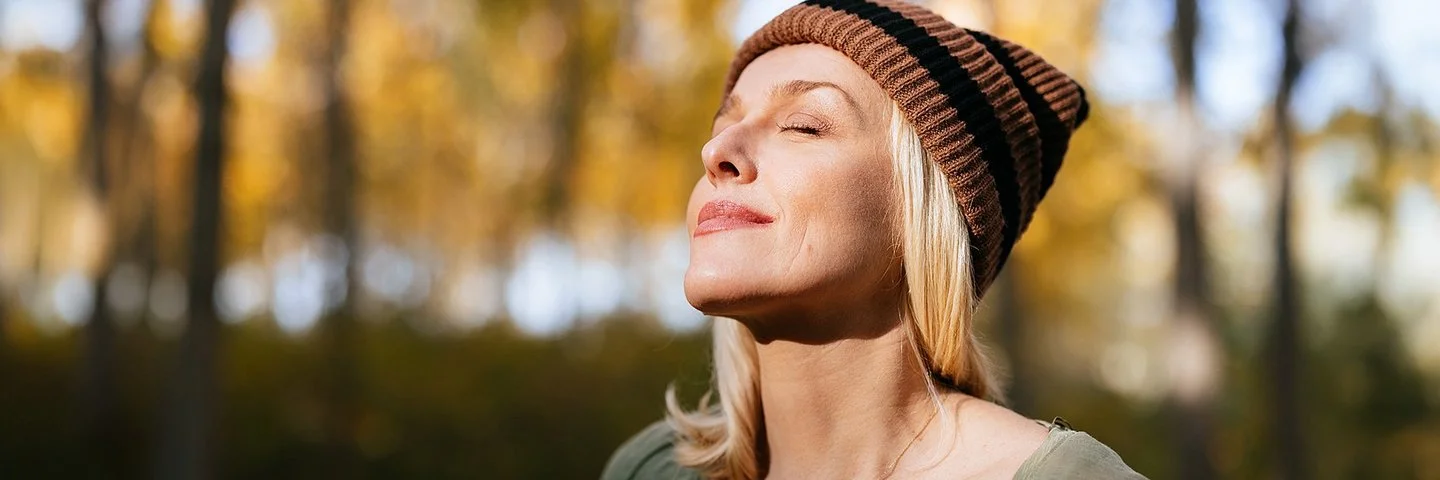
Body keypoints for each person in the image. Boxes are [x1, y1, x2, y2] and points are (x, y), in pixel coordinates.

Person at [604, 0, 1144, 478]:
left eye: (803, 125)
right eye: (724, 123)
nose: (717, 151)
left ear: (924, 210)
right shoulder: (649, 469)